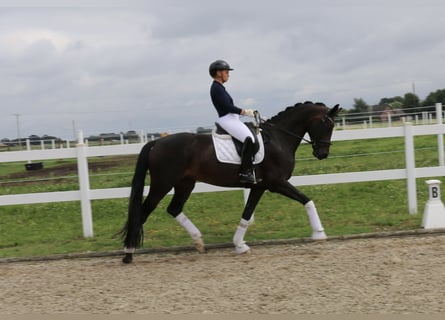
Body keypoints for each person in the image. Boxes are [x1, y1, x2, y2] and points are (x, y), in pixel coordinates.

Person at [209, 59, 259, 184]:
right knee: (249, 139)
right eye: (226, 71)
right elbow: (227, 107)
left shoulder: (220, 87)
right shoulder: (216, 88)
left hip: (231, 118)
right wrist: (245, 112)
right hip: (227, 119)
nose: (228, 74)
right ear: (219, 73)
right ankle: (245, 173)